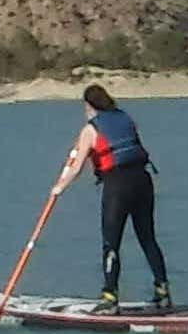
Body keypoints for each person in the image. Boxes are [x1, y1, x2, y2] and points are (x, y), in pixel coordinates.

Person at [63, 83, 168, 311]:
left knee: (111, 244)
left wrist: (58, 187)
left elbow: (76, 167)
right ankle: (163, 291)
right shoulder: (125, 118)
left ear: (89, 106)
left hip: (118, 185)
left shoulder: (90, 129)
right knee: (147, 238)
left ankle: (110, 297)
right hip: (142, 180)